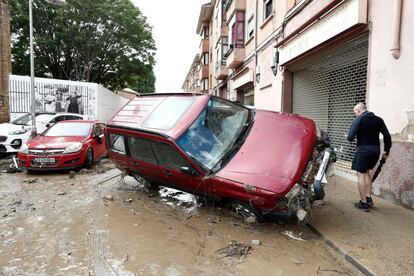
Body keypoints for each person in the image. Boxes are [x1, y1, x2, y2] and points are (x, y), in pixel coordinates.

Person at [347, 103, 392, 212]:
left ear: (358, 111)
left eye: (355, 113)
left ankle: (363, 203)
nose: (355, 115)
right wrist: (386, 151)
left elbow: (350, 137)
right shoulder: (378, 120)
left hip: (363, 150)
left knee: (361, 175)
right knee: (367, 172)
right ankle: (369, 198)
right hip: (375, 151)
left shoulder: (359, 119)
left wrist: (349, 135)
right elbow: (387, 136)